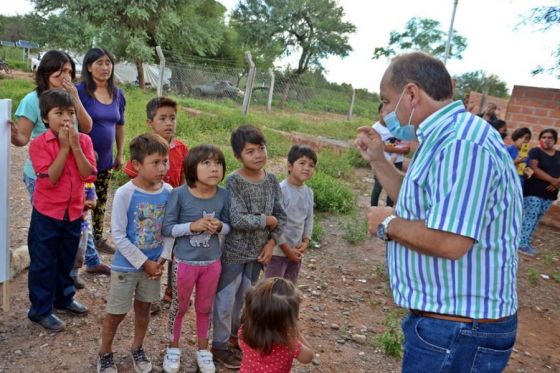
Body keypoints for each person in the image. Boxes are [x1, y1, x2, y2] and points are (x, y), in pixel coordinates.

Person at [355, 52, 522, 373]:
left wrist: (387, 223)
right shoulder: (442, 136)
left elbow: (450, 241)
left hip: (459, 331)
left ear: (412, 94)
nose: (386, 112)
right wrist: (378, 159)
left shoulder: (461, 143)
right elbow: (419, 199)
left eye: (387, 101)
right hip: (451, 326)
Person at [211, 125, 287, 369]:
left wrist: (272, 242)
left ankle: (237, 340)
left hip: (258, 256)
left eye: (261, 149)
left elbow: (281, 216)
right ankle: (219, 346)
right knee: (225, 301)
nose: (258, 155)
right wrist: (266, 221)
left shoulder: (272, 180)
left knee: (246, 301)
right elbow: (237, 219)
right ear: (238, 156)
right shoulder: (234, 181)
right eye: (250, 151)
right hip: (233, 254)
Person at [96, 134, 172, 373]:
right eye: (156, 162)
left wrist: (164, 257)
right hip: (126, 267)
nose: (162, 168)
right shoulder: (125, 193)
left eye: (165, 161)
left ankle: (137, 347)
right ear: (137, 164)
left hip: (155, 267)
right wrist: (143, 261)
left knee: (144, 309)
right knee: (116, 313)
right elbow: (118, 235)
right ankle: (105, 353)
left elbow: (169, 229)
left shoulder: (169, 191)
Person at [27, 89, 96, 332]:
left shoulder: (85, 141)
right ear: (46, 118)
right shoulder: (39, 144)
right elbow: (51, 179)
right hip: (47, 214)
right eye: (59, 113)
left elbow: (88, 174)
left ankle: (63, 298)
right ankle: (40, 310)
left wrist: (75, 147)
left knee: (66, 257)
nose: (67, 119)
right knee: (44, 261)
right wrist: (64, 148)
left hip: (73, 212)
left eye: (71, 113)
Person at [161, 144, 231, 373]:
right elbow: (168, 228)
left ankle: (203, 349)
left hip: (212, 263)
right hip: (184, 263)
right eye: (207, 163)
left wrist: (220, 226)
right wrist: (192, 226)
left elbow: (229, 226)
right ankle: (173, 348)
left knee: (204, 307)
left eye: (218, 163)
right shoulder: (178, 194)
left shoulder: (223, 195)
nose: (214, 169)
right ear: (192, 168)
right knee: (179, 307)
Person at [123, 96, 189, 303]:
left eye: (172, 118)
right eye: (162, 119)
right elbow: (133, 177)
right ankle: (143, 294)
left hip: (173, 211)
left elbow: (185, 180)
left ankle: (172, 290)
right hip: (148, 212)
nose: (169, 123)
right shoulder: (143, 147)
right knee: (147, 247)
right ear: (150, 123)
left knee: (174, 250)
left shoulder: (181, 149)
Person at [9, 50, 92, 201]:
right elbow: (22, 139)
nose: (65, 75)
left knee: (71, 218)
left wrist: (75, 97)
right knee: (46, 218)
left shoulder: (70, 97)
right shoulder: (32, 100)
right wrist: (14, 136)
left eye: (69, 71)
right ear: (47, 70)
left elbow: (86, 128)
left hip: (71, 171)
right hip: (42, 173)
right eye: (61, 70)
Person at [78, 47, 126, 254]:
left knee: (100, 200)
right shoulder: (80, 91)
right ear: (89, 67)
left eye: (108, 62)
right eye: (99, 63)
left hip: (105, 160)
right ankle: (79, 245)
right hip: (82, 161)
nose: (105, 67)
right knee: (81, 202)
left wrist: (120, 153)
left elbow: (120, 124)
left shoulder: (117, 94)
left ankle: (97, 239)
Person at [264, 144, 316, 284]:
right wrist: (287, 250)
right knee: (271, 289)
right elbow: (275, 225)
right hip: (278, 252)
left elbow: (309, 219)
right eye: (302, 163)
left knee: (288, 289)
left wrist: (306, 241)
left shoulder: (308, 193)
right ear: (289, 166)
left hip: (296, 251)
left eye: (311, 165)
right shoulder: (281, 190)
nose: (307, 168)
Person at [238, 277, 314, 373]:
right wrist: (296, 332)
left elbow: (241, 346)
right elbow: (309, 357)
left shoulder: (244, 332)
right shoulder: (290, 344)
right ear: (288, 320)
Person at [518, 128, 560, 257]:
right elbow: (534, 169)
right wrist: (552, 180)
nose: (547, 140)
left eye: (550, 138)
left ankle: (527, 242)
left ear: (555, 140)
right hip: (534, 191)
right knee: (530, 216)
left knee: (537, 217)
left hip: (550, 193)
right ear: (540, 139)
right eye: (544, 137)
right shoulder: (535, 152)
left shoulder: (559, 154)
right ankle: (521, 244)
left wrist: (557, 182)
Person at [370, 104, 411, 207]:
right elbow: (381, 147)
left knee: (393, 188)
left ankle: (389, 213)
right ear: (380, 113)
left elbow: (406, 149)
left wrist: (395, 150)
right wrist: (399, 148)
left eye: (390, 113)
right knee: (378, 187)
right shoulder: (375, 128)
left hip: (397, 163)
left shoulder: (398, 127)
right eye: (384, 112)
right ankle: (373, 209)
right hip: (382, 162)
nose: (387, 116)